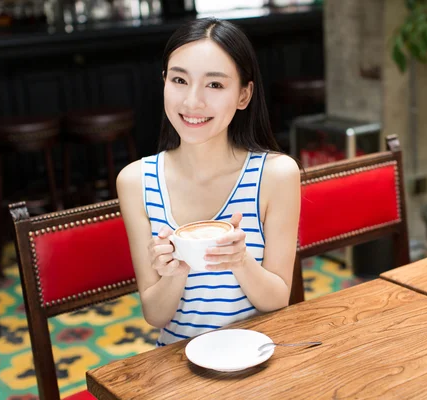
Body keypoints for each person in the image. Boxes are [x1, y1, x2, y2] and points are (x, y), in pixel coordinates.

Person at [117, 18, 301, 346]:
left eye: (214, 85)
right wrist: (173, 273)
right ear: (164, 83)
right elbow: (155, 316)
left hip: (256, 360)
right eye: (179, 80)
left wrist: (240, 260)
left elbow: (277, 300)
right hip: (178, 371)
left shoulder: (276, 175)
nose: (192, 102)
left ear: (244, 95)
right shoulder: (136, 182)